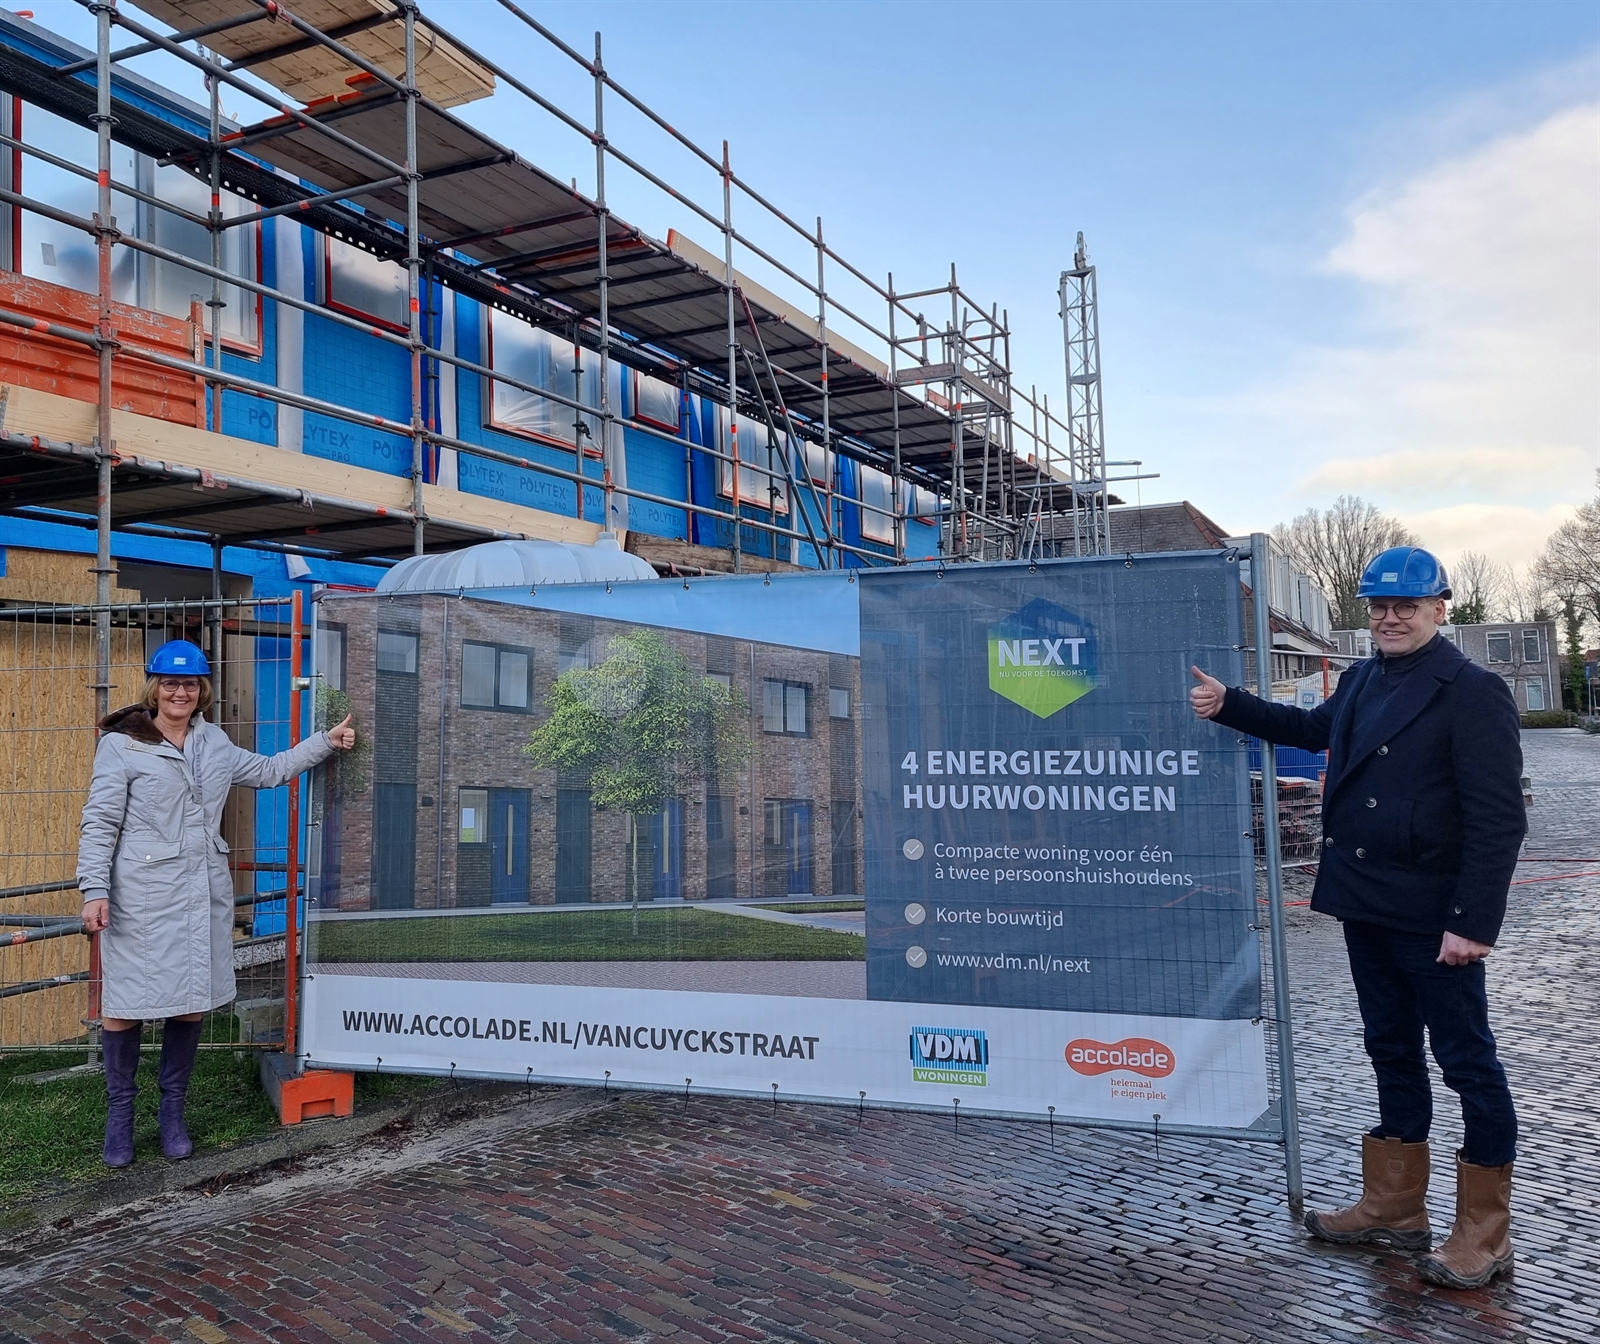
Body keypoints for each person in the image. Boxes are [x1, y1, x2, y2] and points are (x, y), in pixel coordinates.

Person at [1188, 546, 1523, 1290]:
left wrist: (1472, 922)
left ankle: (1485, 1234)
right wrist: (1231, 705)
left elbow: (1498, 821)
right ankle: (1395, 1210)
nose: (1391, 617)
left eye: (1407, 605)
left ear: (1441, 608)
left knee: (1467, 1063)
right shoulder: (1367, 675)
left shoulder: (1472, 691)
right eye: (1378, 606)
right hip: (1367, 902)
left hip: (1437, 919)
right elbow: (1313, 732)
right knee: (1390, 1048)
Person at [78, 639, 356, 1168]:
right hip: (138, 896)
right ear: (154, 688)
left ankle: (173, 1114)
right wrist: (94, 888)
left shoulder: (215, 744)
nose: (179, 691)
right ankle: (119, 1118)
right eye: (169, 683)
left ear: (202, 690)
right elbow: (99, 821)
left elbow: (272, 771)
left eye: (189, 684)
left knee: (190, 999)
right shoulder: (122, 745)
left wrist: (325, 740)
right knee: (124, 1006)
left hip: (200, 894)